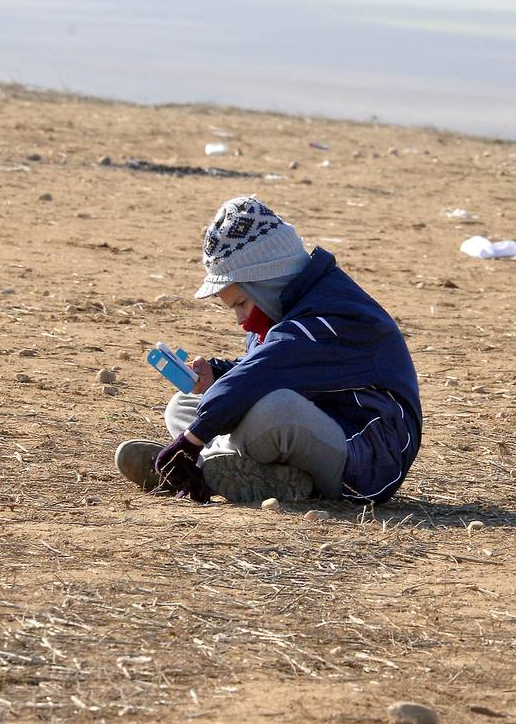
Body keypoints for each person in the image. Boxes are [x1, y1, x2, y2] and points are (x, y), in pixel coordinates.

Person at [115, 196, 423, 504]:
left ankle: (201, 468)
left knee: (272, 409)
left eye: (241, 303)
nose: (240, 320)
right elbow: (265, 369)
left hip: (365, 463)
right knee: (184, 405)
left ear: (268, 281)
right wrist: (218, 374)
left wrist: (190, 441)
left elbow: (262, 376)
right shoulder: (286, 307)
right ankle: (262, 478)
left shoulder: (330, 317)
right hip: (318, 427)